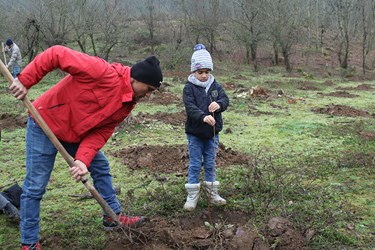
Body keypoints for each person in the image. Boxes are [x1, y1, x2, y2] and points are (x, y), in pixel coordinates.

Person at [9, 45, 163, 250]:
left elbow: (100, 132)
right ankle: (29, 242)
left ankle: (111, 216)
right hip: (44, 125)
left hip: (75, 135)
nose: (149, 95)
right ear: (136, 79)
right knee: (35, 186)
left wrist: (82, 159)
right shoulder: (102, 71)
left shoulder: (127, 103)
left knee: (100, 165)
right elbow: (56, 54)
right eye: (150, 89)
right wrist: (25, 80)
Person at [182, 44, 229, 211]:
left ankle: (212, 194)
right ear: (193, 72)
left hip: (213, 134)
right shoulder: (189, 88)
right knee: (195, 163)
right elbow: (190, 108)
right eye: (200, 72)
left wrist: (219, 105)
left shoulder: (215, 86)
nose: (204, 75)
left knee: (210, 163)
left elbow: (225, 100)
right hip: (195, 133)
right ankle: (192, 195)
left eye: (207, 72)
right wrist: (203, 116)